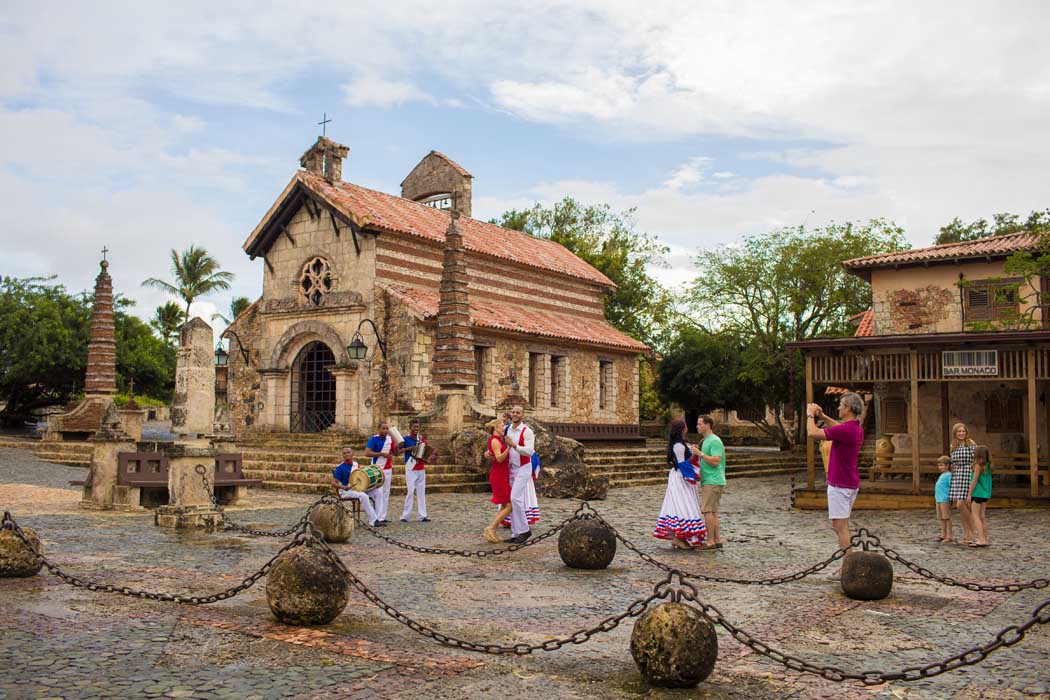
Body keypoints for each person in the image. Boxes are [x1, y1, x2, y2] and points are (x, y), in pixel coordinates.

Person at [807, 392, 865, 580]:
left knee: (840, 527)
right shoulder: (854, 428)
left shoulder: (847, 431)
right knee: (842, 525)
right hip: (848, 482)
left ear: (848, 408)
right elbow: (838, 427)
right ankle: (847, 566)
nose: (838, 407)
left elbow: (813, 433)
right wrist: (823, 417)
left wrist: (810, 415)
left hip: (840, 484)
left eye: (841, 405)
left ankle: (847, 568)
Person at [653, 418, 707, 550]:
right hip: (680, 478)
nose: (687, 428)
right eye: (686, 426)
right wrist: (694, 475)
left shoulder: (680, 443)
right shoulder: (678, 445)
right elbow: (683, 464)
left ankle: (680, 537)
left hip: (680, 476)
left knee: (683, 504)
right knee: (683, 504)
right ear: (682, 428)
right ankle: (679, 537)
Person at [503, 405, 537, 544]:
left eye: (518, 412)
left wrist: (515, 446)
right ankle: (516, 532)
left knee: (515, 498)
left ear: (522, 415)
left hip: (523, 468)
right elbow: (500, 445)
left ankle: (525, 530)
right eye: (513, 412)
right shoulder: (507, 429)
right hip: (510, 468)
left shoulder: (527, 431)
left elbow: (529, 451)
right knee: (512, 501)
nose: (515, 414)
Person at [330, 447, 381, 527]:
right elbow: (333, 483)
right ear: (342, 456)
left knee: (378, 492)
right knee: (363, 496)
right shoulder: (340, 468)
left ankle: (378, 518)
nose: (346, 454)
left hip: (358, 489)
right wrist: (343, 487)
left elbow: (362, 475)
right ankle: (373, 521)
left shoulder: (356, 465)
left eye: (348, 452)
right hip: (346, 491)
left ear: (352, 454)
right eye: (344, 453)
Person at [696, 415, 726, 550]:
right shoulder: (706, 440)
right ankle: (717, 540)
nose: (697, 426)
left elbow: (716, 461)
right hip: (710, 480)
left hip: (713, 480)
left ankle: (710, 541)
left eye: (700, 424)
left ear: (707, 425)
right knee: (713, 512)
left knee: (707, 511)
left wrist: (700, 454)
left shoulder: (714, 441)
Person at [948, 422, 977, 545]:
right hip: (957, 476)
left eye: (963, 431)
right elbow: (952, 463)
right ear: (955, 433)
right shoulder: (953, 446)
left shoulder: (971, 444)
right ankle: (966, 534)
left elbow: (976, 460)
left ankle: (973, 532)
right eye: (959, 431)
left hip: (967, 474)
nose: (961, 433)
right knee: (960, 506)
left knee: (962, 504)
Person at [483, 418, 512, 543]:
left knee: (505, 504)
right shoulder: (495, 441)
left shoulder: (498, 440)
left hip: (502, 474)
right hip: (499, 475)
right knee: (509, 505)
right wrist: (509, 448)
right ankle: (491, 527)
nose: (504, 427)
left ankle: (493, 530)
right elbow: (499, 459)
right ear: (496, 428)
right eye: (501, 426)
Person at [398, 419, 431, 523]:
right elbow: (398, 451)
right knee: (410, 492)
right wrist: (409, 448)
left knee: (421, 492)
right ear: (410, 427)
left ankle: (422, 515)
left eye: (417, 427)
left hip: (421, 468)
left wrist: (430, 457)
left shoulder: (421, 439)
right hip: (410, 467)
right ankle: (405, 516)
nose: (416, 429)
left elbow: (426, 452)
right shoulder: (405, 439)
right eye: (414, 427)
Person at [364, 420, 394, 524]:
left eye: (387, 428)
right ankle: (375, 517)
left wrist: (399, 444)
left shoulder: (390, 440)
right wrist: (381, 454)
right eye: (383, 428)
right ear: (379, 429)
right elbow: (367, 453)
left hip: (388, 469)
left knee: (386, 493)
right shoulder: (374, 439)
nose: (386, 430)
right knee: (379, 493)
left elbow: (396, 453)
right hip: (377, 469)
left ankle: (382, 516)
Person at [968, 445, 992, 548]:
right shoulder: (988, 465)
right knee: (982, 516)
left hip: (977, 493)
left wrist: (969, 494)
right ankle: (985, 538)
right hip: (985, 494)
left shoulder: (978, 466)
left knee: (975, 516)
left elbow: (974, 480)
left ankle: (981, 539)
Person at [934, 455, 954, 543]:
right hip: (938, 499)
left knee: (947, 517)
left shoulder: (949, 475)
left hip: (945, 499)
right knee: (941, 518)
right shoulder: (942, 475)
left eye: (942, 465)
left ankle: (949, 535)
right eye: (939, 465)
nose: (940, 467)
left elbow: (951, 486)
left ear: (947, 465)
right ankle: (943, 534)